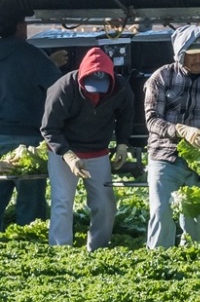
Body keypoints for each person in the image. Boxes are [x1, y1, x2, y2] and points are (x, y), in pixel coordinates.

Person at [143, 26, 200, 249]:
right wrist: (181, 130)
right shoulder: (161, 78)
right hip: (165, 157)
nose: (198, 60)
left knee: (197, 223)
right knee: (161, 214)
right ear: (180, 52)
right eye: (192, 54)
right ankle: (157, 268)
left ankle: (190, 267)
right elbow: (152, 120)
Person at [39, 47, 133, 250]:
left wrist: (123, 144)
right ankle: (60, 251)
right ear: (81, 76)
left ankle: (98, 249)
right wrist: (68, 155)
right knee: (62, 202)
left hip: (97, 151)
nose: (96, 90)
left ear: (111, 78)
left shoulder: (121, 87)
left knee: (105, 204)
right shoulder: (63, 87)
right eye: (91, 85)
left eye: (101, 85)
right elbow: (49, 128)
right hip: (64, 150)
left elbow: (126, 115)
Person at [0, 7, 61, 230]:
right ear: (19, 27)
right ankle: (30, 244)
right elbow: (58, 89)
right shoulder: (32, 55)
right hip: (28, 142)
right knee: (32, 208)